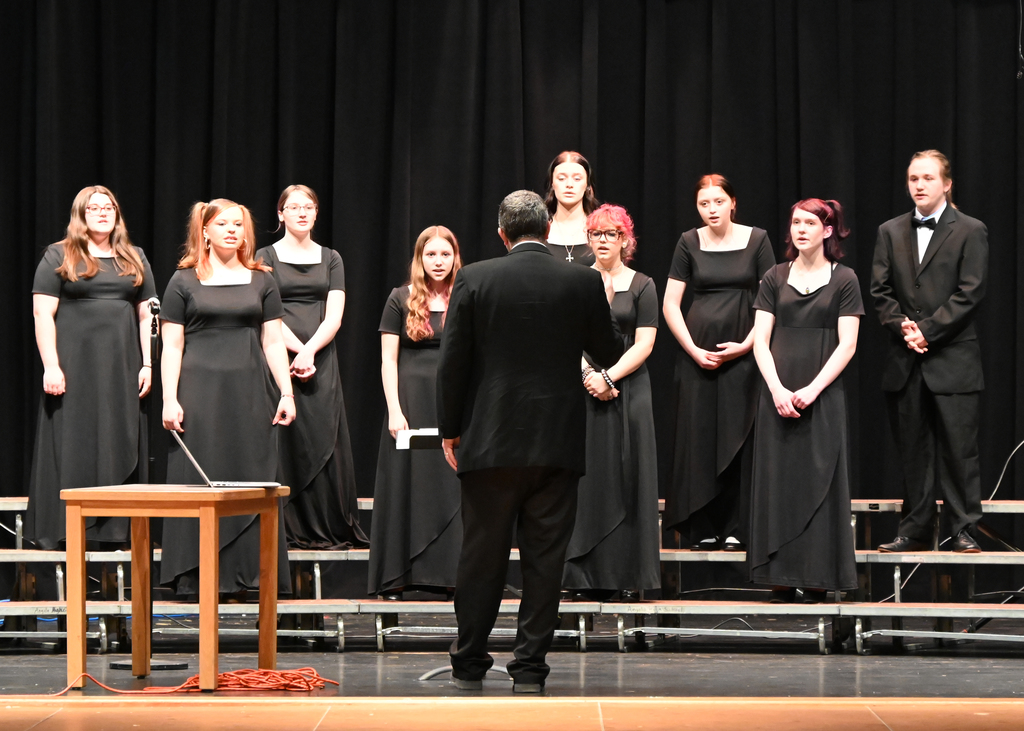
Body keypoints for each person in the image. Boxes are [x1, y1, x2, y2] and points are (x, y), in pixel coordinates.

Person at [437, 190, 622, 693]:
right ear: (547, 231)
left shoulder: (474, 277)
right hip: (556, 443)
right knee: (545, 560)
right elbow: (608, 350)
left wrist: (450, 430)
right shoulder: (582, 279)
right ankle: (529, 670)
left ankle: (470, 663)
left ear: (503, 234)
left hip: (489, 440)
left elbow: (452, 363)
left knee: (481, 556)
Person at [160, 198, 295, 597]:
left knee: (251, 476)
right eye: (223, 224)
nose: (233, 230)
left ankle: (253, 574)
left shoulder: (263, 279)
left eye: (239, 224)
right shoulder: (183, 281)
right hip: (200, 396)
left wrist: (286, 391)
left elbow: (272, 342)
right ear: (205, 231)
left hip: (252, 394)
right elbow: (171, 345)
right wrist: (170, 397)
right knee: (200, 481)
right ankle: (195, 574)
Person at [870, 151, 988, 554]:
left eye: (927, 178)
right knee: (913, 452)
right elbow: (880, 291)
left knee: (959, 450)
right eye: (913, 178)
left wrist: (928, 331)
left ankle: (962, 528)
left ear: (946, 183)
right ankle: (915, 528)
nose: (918, 185)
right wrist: (903, 327)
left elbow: (970, 292)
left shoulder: (971, 230)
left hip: (953, 357)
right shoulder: (890, 230)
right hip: (906, 359)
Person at [27, 185, 156, 550]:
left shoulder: (135, 256)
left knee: (119, 433)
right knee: (74, 438)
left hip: (121, 366)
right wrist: (50, 365)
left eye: (109, 207)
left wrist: (148, 362)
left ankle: (114, 530)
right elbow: (42, 314)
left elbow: (148, 312)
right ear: (80, 215)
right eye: (94, 208)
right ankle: (67, 527)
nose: (103, 213)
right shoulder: (59, 254)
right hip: (74, 367)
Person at [749, 199, 861, 601]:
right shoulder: (774, 277)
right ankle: (780, 573)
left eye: (809, 223)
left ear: (827, 230)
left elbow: (847, 345)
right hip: (777, 392)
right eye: (795, 222)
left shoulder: (845, 279)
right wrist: (778, 389)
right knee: (778, 480)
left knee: (820, 479)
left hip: (822, 393)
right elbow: (760, 341)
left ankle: (816, 575)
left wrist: (813, 389)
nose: (800, 229)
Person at [662, 175, 776, 552]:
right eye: (703, 204)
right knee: (699, 435)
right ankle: (701, 525)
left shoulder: (757, 239)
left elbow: (771, 298)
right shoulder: (688, 241)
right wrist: (693, 349)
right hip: (698, 357)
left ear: (732, 203)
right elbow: (670, 304)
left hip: (743, 354)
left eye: (717, 202)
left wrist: (746, 345)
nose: (711, 210)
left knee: (738, 435)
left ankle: (735, 526)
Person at [256, 185, 368, 550]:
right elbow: (266, 313)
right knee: (286, 437)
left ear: (316, 214)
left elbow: (334, 316)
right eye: (294, 207)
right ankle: (287, 524)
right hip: (278, 353)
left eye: (309, 207)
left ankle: (327, 523)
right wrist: (296, 351)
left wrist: (310, 352)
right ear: (280, 214)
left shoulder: (331, 258)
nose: (302, 213)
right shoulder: (264, 255)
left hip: (321, 357)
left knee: (324, 432)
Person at [563, 204, 660, 598]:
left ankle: (627, 576)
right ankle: (581, 576)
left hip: (629, 389)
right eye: (596, 234)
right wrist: (588, 375)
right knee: (586, 481)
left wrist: (608, 376)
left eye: (611, 234)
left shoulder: (643, 284)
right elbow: (565, 336)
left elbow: (646, 342)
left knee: (627, 476)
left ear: (626, 239)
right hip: (583, 389)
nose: (603, 241)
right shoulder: (575, 281)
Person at [369, 225, 464, 598]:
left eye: (444, 254)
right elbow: (387, 360)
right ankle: (399, 575)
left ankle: (453, 574)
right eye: (430, 255)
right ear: (419, 259)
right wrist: (394, 408)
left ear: (455, 257)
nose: (438, 262)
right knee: (406, 486)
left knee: (449, 485)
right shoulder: (401, 297)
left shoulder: (466, 295)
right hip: (410, 403)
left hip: (452, 401)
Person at [543, 151, 599, 265]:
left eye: (577, 179)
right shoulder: (540, 230)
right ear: (552, 184)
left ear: (587, 185)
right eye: (561, 178)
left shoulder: (601, 230)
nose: (569, 184)